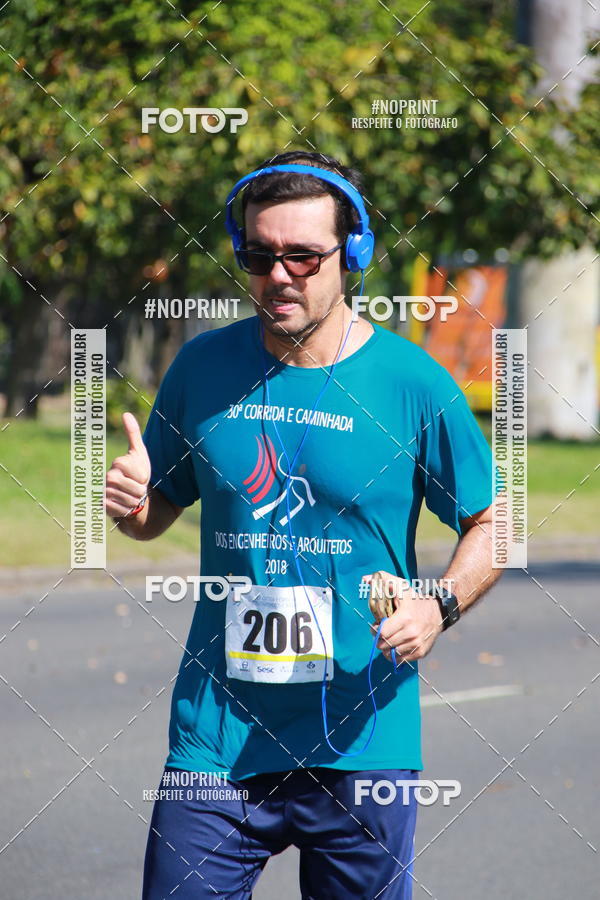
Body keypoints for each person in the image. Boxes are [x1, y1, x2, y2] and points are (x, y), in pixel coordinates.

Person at [105, 151, 501, 899]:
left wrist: (438, 606)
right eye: (260, 255)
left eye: (302, 256)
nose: (279, 275)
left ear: (351, 256)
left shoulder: (412, 384)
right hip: (216, 738)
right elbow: (156, 514)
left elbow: (493, 522)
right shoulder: (201, 369)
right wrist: (133, 505)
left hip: (362, 741)